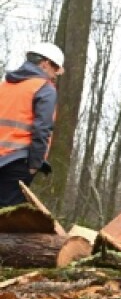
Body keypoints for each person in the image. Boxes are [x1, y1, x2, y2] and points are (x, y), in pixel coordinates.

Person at [0, 42, 62, 208]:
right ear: (45, 64)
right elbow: (42, 128)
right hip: (17, 162)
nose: (55, 75)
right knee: (7, 220)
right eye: (55, 69)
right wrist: (35, 164)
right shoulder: (45, 88)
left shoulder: (5, 85)